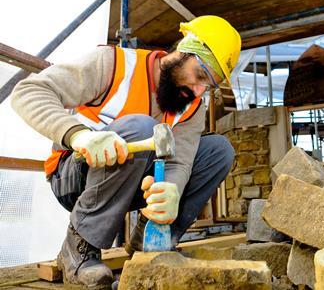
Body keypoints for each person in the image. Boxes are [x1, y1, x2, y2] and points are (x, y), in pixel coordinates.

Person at [11, 15, 241, 288]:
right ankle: (80, 247)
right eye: (200, 75)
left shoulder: (192, 106)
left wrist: (171, 193)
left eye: (209, 86)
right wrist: (78, 135)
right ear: (183, 51)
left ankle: (152, 239)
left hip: (132, 182)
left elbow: (180, 162)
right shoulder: (114, 64)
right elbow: (28, 91)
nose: (198, 90)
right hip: (73, 177)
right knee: (142, 126)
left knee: (218, 151)